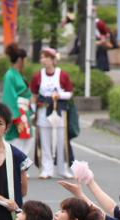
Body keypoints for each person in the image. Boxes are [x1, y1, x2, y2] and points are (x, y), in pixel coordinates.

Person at [31, 47, 75, 180]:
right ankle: (46, 169)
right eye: (42, 57)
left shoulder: (62, 75)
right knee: (45, 142)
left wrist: (58, 95)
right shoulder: (38, 75)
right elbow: (33, 94)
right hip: (44, 111)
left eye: (45, 57)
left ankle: (63, 169)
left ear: (53, 60)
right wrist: (33, 110)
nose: (42, 60)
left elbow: (70, 93)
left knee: (61, 141)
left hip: (59, 111)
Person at [2, 43, 33, 156]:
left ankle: (20, 167)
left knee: (27, 139)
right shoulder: (10, 75)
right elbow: (9, 97)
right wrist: (16, 118)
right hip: (18, 112)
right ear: (20, 60)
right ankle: (15, 167)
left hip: (25, 111)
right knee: (16, 140)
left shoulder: (20, 75)